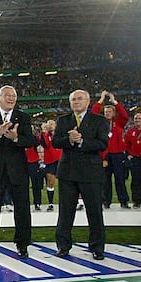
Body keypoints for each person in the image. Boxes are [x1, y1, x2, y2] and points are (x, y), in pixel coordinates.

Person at [0, 86, 37, 259]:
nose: (11, 98)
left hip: (18, 171)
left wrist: (15, 138)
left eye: (13, 96)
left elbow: (30, 141)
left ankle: (23, 245)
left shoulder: (23, 117)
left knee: (22, 209)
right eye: (7, 95)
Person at [53, 90, 109, 260]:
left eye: (79, 99)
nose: (76, 102)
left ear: (88, 101)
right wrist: (69, 140)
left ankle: (97, 247)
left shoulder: (99, 120)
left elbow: (103, 143)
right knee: (65, 212)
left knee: (94, 212)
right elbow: (55, 142)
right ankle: (63, 246)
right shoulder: (63, 120)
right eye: (73, 100)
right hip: (67, 172)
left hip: (90, 172)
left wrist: (82, 141)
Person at [92, 91, 131, 209]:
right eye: (105, 112)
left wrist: (114, 101)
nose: (107, 113)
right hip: (105, 155)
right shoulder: (100, 123)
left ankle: (123, 201)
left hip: (118, 155)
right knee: (105, 180)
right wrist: (101, 99)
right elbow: (93, 113)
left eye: (109, 111)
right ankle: (106, 201)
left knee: (120, 179)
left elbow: (125, 115)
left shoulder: (119, 123)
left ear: (114, 113)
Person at [39, 120, 61, 211]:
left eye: (52, 124)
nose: (50, 126)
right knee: (50, 182)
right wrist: (44, 133)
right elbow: (46, 145)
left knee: (66, 182)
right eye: (48, 124)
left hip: (61, 160)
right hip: (50, 161)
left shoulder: (60, 134)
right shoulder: (45, 135)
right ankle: (51, 203)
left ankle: (74, 202)